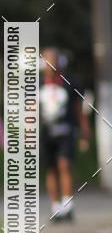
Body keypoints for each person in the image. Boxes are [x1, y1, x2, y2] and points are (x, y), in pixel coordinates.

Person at [40, 47, 90, 221]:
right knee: (51, 168)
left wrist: (85, 133)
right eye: (47, 60)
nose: (50, 63)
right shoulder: (36, 84)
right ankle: (56, 207)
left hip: (66, 131)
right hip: (46, 133)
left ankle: (68, 205)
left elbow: (79, 110)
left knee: (64, 165)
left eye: (53, 59)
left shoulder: (70, 82)